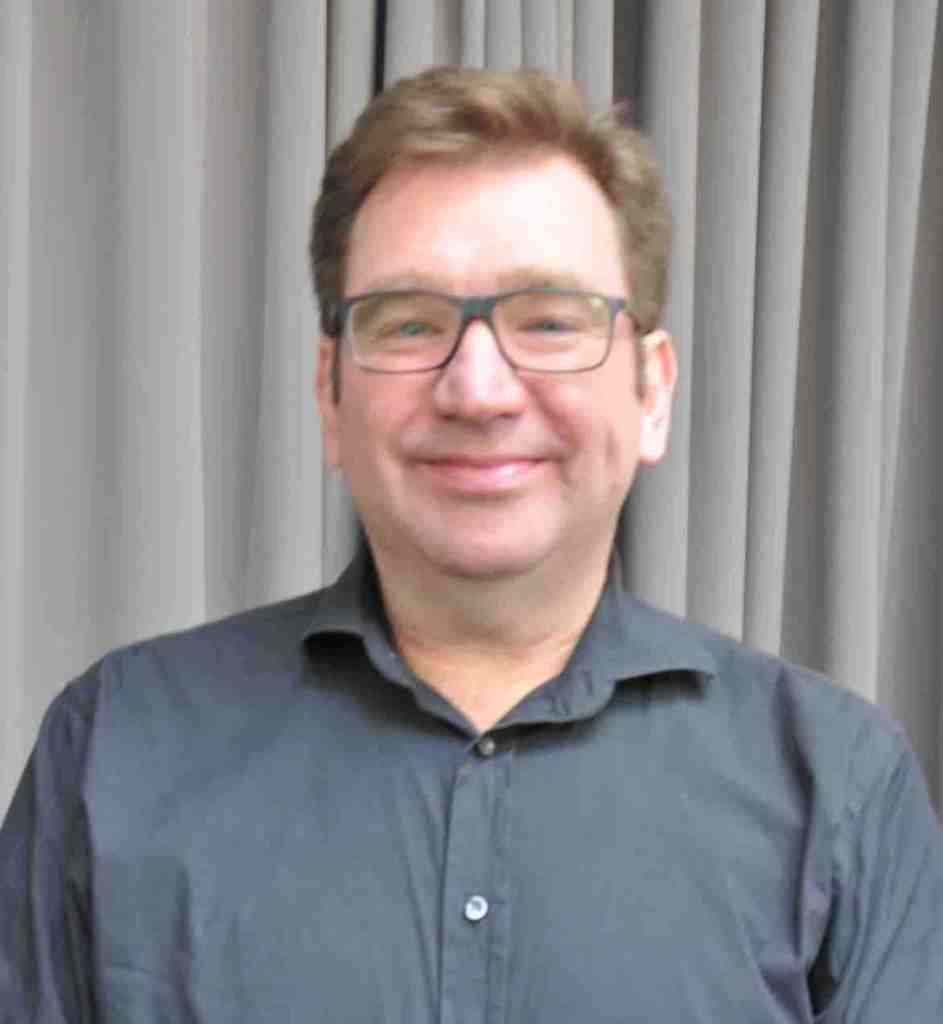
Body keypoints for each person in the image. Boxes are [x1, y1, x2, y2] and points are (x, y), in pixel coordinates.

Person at [1, 66, 941, 1023]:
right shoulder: (112, 751)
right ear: (330, 393)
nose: (478, 391)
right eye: (410, 324)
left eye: (550, 322)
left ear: (651, 392)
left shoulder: (838, 791)